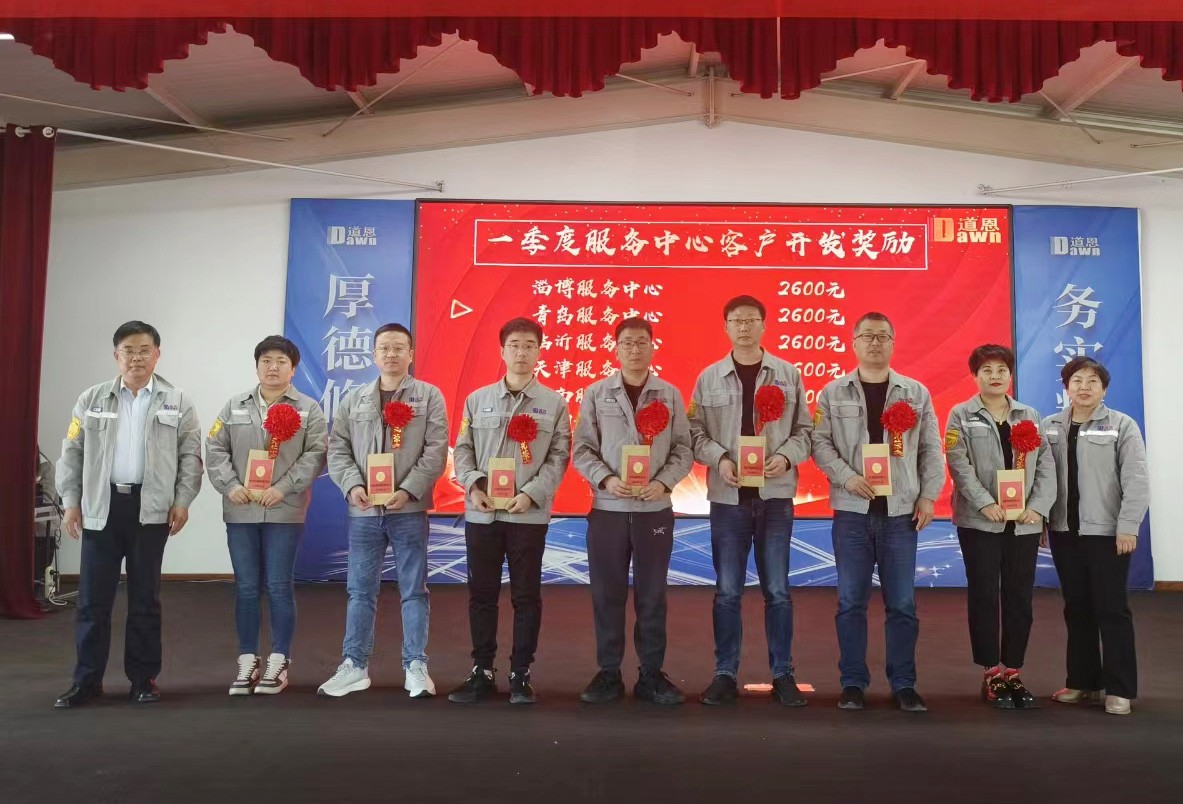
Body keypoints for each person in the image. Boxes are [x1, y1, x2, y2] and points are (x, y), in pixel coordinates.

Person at [54, 321, 202, 708]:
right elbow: (72, 452)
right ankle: (86, 681)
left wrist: (183, 500)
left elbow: (191, 457)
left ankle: (143, 680)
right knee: (92, 600)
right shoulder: (92, 399)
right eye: (128, 351)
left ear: (157, 354)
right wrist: (71, 501)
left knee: (145, 599)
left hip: (150, 509)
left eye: (144, 350)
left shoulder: (177, 402)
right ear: (116, 356)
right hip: (101, 508)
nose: (136, 357)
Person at [811, 312, 943, 713]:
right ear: (853, 342)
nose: (874, 342)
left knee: (902, 604)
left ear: (893, 343)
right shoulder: (832, 392)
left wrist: (928, 496)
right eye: (867, 336)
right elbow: (819, 443)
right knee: (850, 602)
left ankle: (904, 684)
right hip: (852, 512)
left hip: (901, 514)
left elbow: (931, 450)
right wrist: (847, 477)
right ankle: (852, 683)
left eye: (882, 336)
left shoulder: (915, 393)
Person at [687, 295, 813, 707]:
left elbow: (806, 431)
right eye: (736, 320)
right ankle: (725, 673)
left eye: (751, 320)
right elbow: (694, 433)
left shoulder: (788, 374)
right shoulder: (708, 378)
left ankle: (783, 674)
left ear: (764, 325)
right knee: (727, 591)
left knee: (778, 590)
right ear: (725, 326)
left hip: (775, 497)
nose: (744, 326)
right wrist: (720, 459)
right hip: (728, 498)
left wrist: (786, 456)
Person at [318, 323, 449, 699]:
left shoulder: (429, 396)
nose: (391, 354)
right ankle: (354, 665)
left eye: (398, 348)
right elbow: (338, 448)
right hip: (364, 511)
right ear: (374, 355)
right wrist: (352, 485)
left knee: (414, 590)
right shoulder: (354, 399)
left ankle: (416, 666)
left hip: (409, 509)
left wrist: (408, 490)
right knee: (360, 590)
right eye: (384, 348)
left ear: (411, 354)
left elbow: (436, 449)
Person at [447, 317, 571, 705]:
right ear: (502, 351)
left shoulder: (554, 403)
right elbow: (462, 449)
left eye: (529, 345)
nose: (521, 352)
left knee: (526, 596)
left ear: (539, 352)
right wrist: (474, 485)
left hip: (527, 516)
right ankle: (481, 671)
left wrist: (532, 494)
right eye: (514, 345)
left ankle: (521, 673)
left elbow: (559, 456)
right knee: (481, 595)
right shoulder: (477, 399)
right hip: (483, 513)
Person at [573, 317, 693, 705]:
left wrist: (663, 483)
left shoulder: (669, 394)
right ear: (616, 348)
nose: (634, 349)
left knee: (652, 595)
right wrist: (606, 480)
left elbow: (684, 449)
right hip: (608, 509)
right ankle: (608, 673)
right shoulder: (596, 393)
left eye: (642, 342)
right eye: (627, 342)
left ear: (653, 347)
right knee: (606, 594)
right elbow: (582, 449)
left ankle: (651, 675)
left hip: (653, 509)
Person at [205, 335, 327, 695]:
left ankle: (279, 660)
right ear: (257, 366)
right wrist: (229, 485)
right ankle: (247, 660)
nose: (273, 367)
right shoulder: (234, 406)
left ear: (294, 368)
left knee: (278, 586)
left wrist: (284, 487)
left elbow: (316, 454)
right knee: (245, 587)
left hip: (283, 509)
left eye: (281, 362)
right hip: (241, 508)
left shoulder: (309, 409)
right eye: (266, 361)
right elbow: (215, 448)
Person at [944, 344, 1055, 709]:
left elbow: (1045, 466)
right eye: (987, 370)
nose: (995, 376)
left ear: (1010, 374)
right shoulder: (961, 414)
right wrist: (985, 503)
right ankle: (991, 671)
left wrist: (1037, 507)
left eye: (1001, 370)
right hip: (980, 522)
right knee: (984, 595)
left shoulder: (1029, 415)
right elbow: (958, 464)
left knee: (1020, 597)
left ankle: (1014, 671)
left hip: (1023, 523)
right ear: (975, 376)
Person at [1042, 356, 1149, 716]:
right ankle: (1083, 683)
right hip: (1064, 531)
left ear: (1104, 389)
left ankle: (1120, 689)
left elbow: (1136, 479)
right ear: (1066, 387)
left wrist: (1128, 526)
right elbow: (1041, 479)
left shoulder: (1122, 425)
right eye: (1076, 380)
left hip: (1107, 533)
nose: (1084, 387)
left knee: (1112, 609)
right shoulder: (1049, 426)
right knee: (1077, 609)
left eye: (1092, 381)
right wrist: (1041, 523)